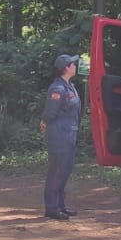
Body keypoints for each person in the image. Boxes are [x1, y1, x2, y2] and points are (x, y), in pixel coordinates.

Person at [40, 53, 82, 220]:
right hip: (59, 134)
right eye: (73, 64)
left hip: (69, 134)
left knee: (65, 170)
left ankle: (60, 205)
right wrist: (44, 122)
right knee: (57, 171)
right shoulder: (57, 88)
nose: (75, 66)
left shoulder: (69, 86)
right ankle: (51, 207)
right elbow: (51, 111)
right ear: (66, 68)